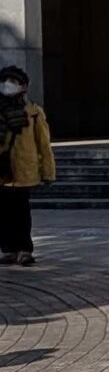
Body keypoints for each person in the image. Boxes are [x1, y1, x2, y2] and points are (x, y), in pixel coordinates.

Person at [0, 66, 56, 267]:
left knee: (22, 212)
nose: (8, 85)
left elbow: (44, 145)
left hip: (24, 171)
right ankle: (8, 250)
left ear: (23, 87)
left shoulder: (33, 113)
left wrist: (48, 172)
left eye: (13, 82)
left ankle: (24, 250)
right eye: (5, 81)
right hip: (2, 172)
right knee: (4, 213)